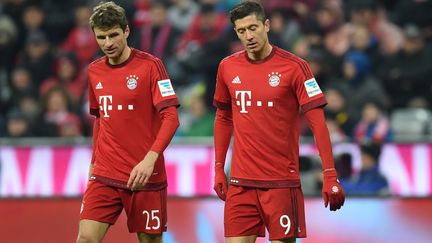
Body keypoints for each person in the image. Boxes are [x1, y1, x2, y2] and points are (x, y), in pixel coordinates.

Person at [212, 2, 345, 242]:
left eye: (253, 28)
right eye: (241, 31)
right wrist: (219, 168)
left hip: (281, 183)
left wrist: (330, 174)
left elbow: (318, 123)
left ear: (267, 25)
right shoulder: (227, 67)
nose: (249, 36)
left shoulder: (295, 67)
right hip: (241, 183)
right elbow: (223, 117)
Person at [76, 2, 180, 243]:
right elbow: (100, 119)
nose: (108, 43)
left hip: (144, 175)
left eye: (113, 35)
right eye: (101, 37)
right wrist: (93, 164)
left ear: (126, 31)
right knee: (85, 239)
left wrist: (149, 160)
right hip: (105, 173)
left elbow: (171, 117)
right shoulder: (94, 71)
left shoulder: (151, 66)